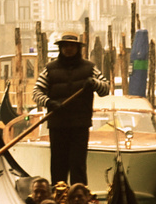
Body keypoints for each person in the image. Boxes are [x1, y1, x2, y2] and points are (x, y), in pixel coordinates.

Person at [32, 31, 109, 187]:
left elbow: (106, 89)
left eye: (72, 46)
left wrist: (94, 83)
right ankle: (59, 199)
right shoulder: (49, 69)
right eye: (65, 46)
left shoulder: (90, 68)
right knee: (58, 167)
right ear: (60, 48)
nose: (68, 49)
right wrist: (49, 102)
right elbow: (36, 93)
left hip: (80, 126)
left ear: (77, 48)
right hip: (58, 125)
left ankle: (78, 199)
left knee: (78, 167)